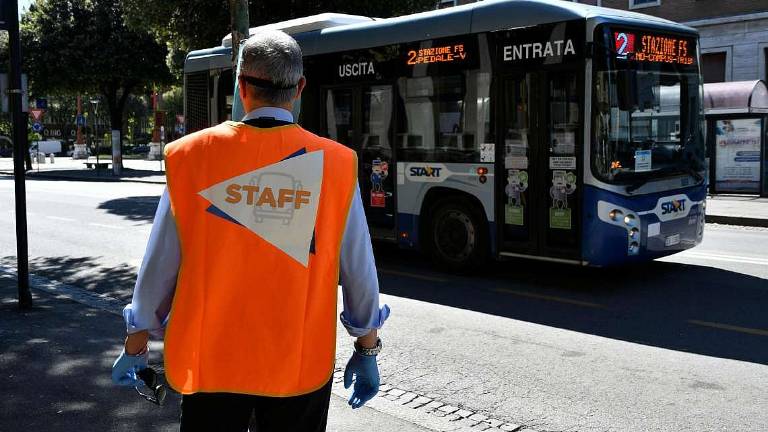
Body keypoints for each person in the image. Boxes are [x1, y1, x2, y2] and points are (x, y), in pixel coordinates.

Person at [111, 29, 390, 432]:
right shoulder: (336, 163)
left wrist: (137, 343)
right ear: (300, 89)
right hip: (297, 363)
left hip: (211, 362)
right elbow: (359, 269)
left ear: (241, 86)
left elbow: (160, 263)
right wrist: (367, 349)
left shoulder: (192, 156)